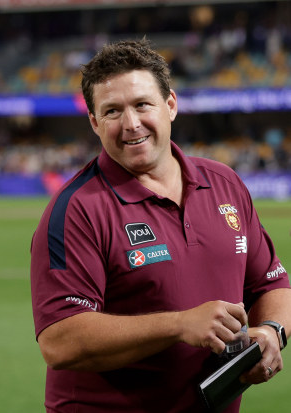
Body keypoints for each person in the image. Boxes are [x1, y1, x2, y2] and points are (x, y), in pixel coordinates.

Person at [30, 38, 291, 413]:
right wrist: (179, 325)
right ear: (94, 123)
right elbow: (60, 341)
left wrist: (271, 331)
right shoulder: (76, 210)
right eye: (112, 111)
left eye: (142, 104)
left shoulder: (224, 183)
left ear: (170, 105)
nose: (131, 124)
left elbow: (272, 283)